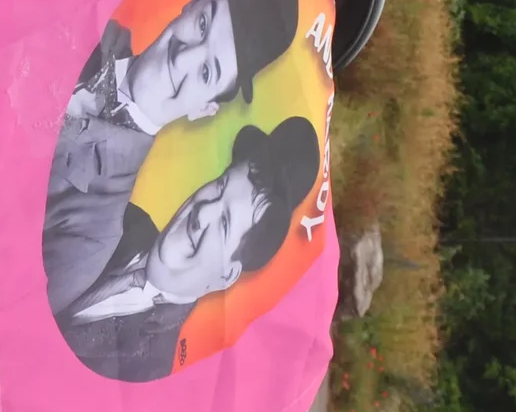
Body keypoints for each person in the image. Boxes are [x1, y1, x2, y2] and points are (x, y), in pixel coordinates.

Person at [44, 116, 321, 383]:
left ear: (227, 275)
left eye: (224, 223)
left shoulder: (147, 370)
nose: (202, 212)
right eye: (220, 186)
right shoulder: (117, 211)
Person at [51, 0, 300, 205]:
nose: (182, 59)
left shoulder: (99, 215)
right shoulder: (90, 26)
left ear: (204, 109)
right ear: (196, 0)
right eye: (202, 24)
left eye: (206, 73)